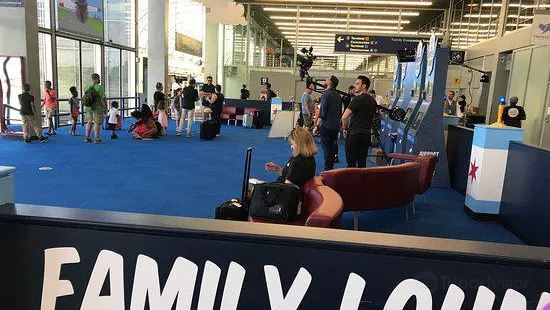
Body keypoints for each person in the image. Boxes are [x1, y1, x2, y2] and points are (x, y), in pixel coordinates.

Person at [342, 76, 377, 168]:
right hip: (366, 135)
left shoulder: (357, 99)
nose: (355, 86)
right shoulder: (373, 101)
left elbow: (344, 117)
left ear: (364, 86)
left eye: (357, 84)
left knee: (351, 164)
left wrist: (345, 128)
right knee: (362, 164)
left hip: (354, 135)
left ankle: (351, 182)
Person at [313, 75, 342, 171]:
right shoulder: (338, 95)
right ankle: (330, 168)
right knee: (332, 146)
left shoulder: (326, 95)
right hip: (335, 126)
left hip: (326, 126)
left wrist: (316, 125)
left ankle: (327, 169)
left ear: (330, 83)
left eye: (327, 79)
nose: (325, 80)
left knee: (326, 148)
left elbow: (322, 112)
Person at [84, 73, 106, 144]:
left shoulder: (87, 86)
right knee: (97, 123)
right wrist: (105, 106)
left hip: (88, 107)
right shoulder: (99, 87)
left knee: (89, 122)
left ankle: (87, 137)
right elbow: (103, 99)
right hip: (97, 108)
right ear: (97, 79)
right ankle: (96, 139)